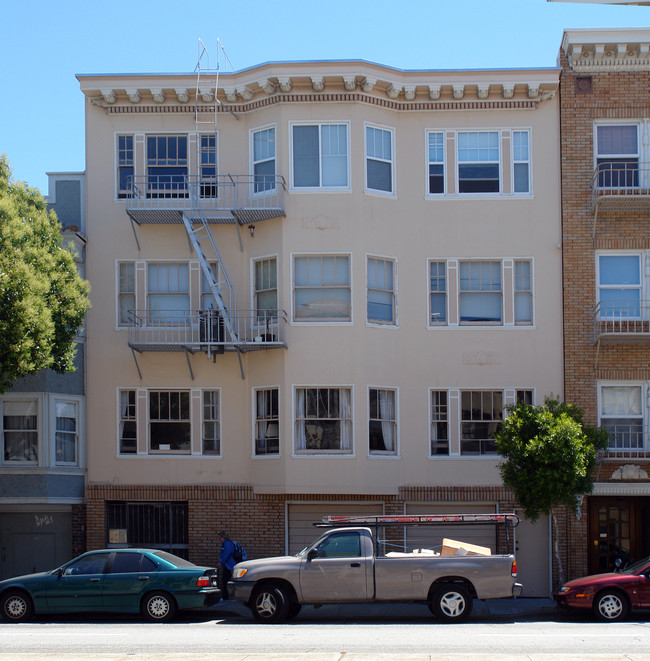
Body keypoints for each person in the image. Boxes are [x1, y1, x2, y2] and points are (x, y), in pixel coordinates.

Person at [217, 530, 236, 601]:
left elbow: (226, 554)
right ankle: (226, 596)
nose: (219, 540)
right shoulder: (227, 543)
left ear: (223, 537)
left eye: (220, 538)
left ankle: (225, 597)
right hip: (228, 566)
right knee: (225, 581)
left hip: (229, 566)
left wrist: (220, 561)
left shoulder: (227, 544)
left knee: (225, 581)